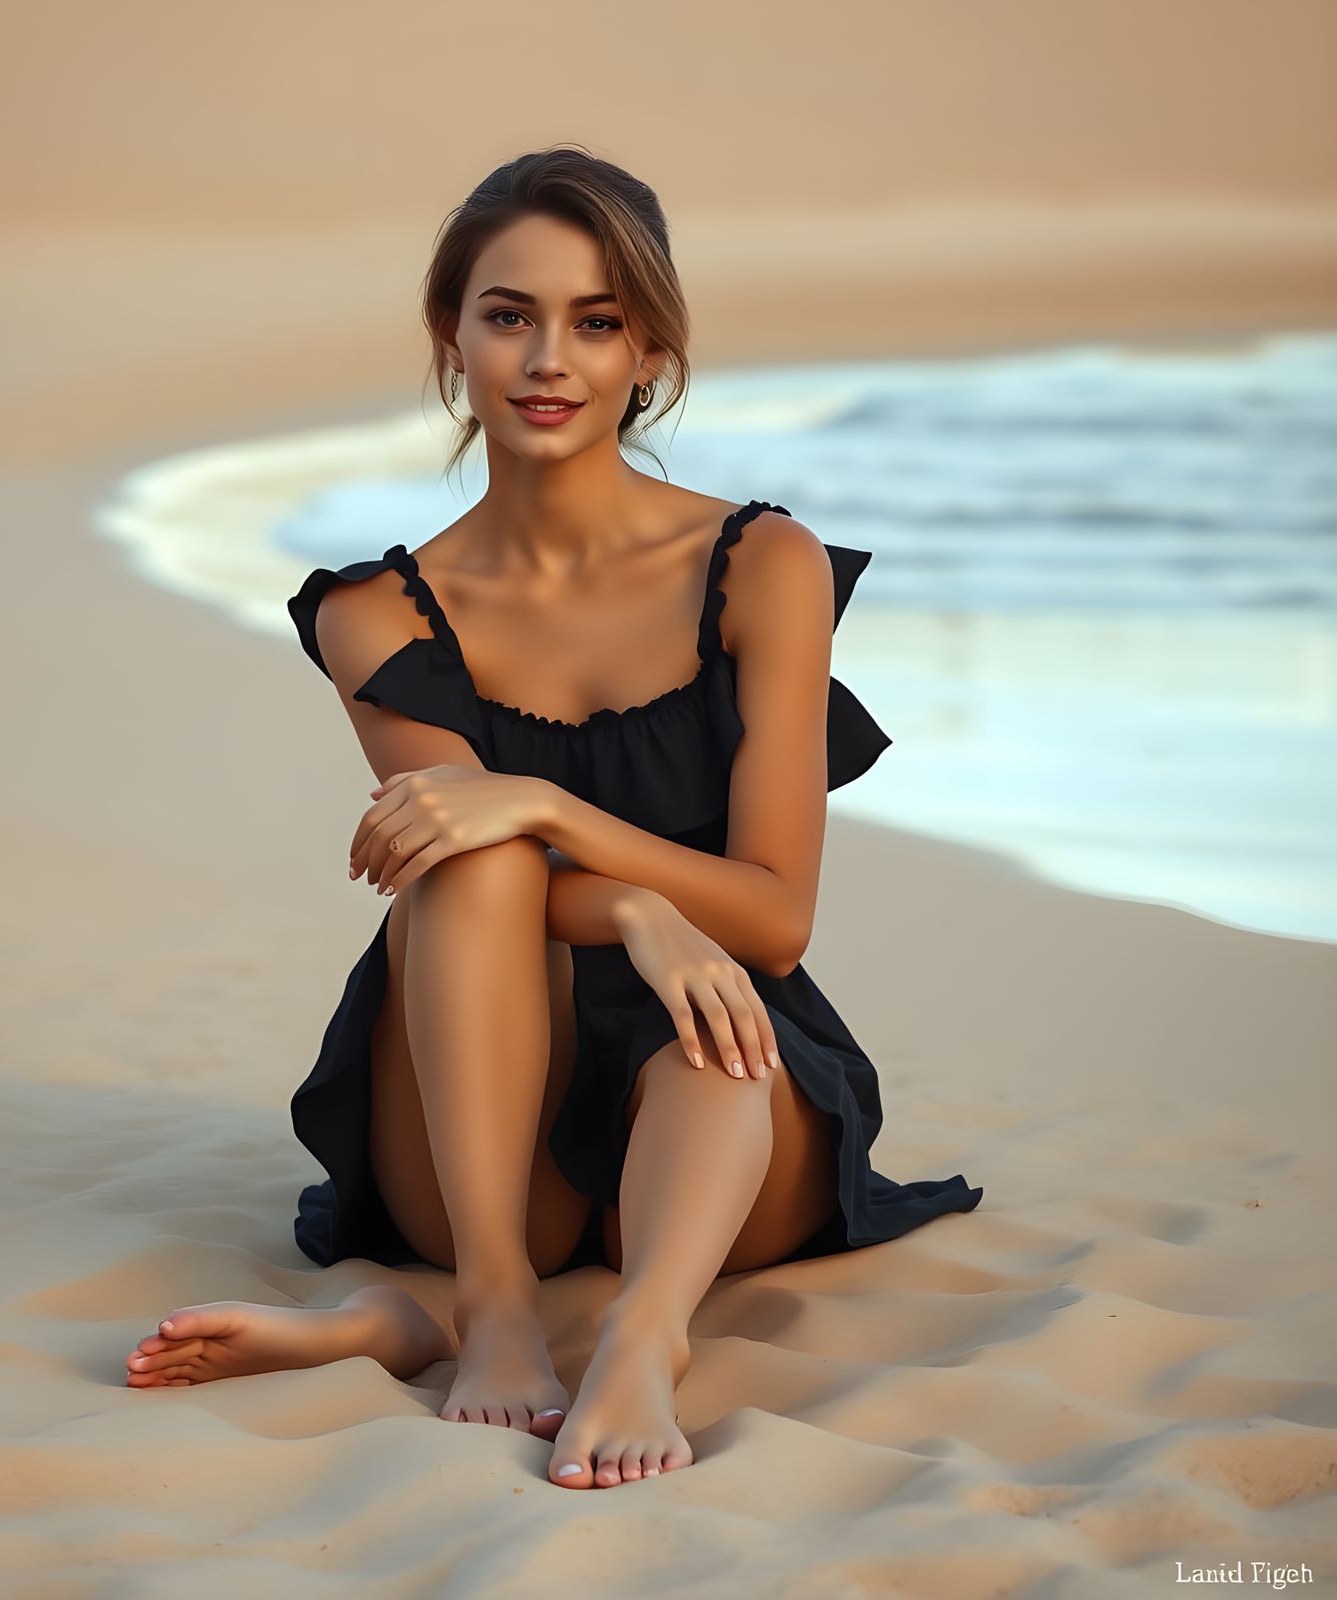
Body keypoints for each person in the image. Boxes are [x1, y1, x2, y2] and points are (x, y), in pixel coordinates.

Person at [124, 145, 982, 1489]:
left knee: (703, 1018)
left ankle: (638, 1336)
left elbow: (770, 916)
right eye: (509, 313)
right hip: (476, 1136)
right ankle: (496, 1313)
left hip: (721, 1108)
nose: (549, 358)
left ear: (650, 349)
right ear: (451, 335)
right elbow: (467, 860)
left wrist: (547, 809)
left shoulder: (765, 566)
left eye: (596, 321)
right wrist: (642, 906)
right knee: (464, 859)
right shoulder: (374, 615)